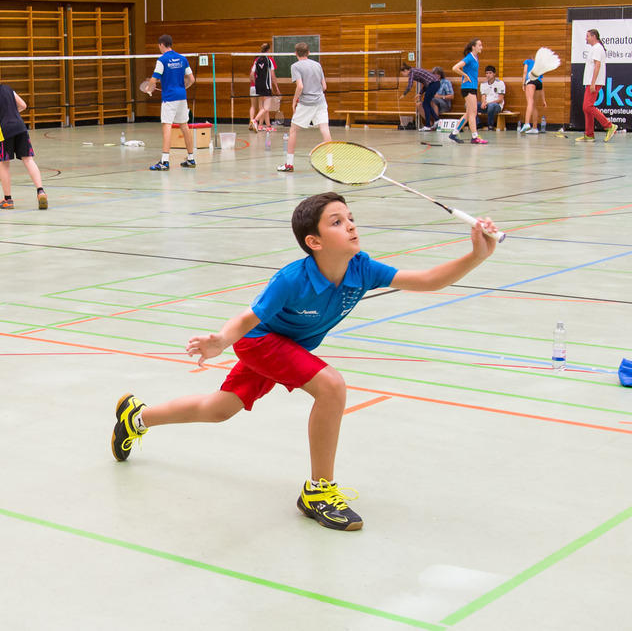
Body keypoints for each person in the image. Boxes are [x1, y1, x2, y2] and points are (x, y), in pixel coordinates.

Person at [110, 191, 500, 531]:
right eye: (337, 222)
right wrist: (221, 340)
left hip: (288, 346)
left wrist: (476, 255)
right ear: (314, 241)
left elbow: (428, 279)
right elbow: (249, 318)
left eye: (350, 218)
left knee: (219, 409)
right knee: (331, 386)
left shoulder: (362, 269)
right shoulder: (292, 279)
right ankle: (318, 492)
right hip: (260, 343)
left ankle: (137, 417)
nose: (350, 225)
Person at [0, 63, 48, 211]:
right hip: (20, 127)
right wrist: (11, 113)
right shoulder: (8, 89)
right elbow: (23, 105)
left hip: (3, 132)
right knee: (28, 160)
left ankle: (8, 200)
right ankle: (41, 191)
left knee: (4, 164)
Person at [278, 42, 332, 173]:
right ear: (308, 53)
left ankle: (289, 164)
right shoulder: (317, 65)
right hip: (321, 102)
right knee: (325, 130)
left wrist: (294, 100)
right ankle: (330, 164)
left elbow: (300, 86)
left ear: (295, 53)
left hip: (306, 103)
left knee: (293, 130)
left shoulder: (295, 66)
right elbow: (324, 87)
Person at [147, 34, 196, 171]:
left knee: (167, 126)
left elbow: (154, 79)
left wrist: (148, 89)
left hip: (169, 98)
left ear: (161, 45)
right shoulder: (182, 59)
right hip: (182, 97)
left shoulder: (162, 60)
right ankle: (191, 158)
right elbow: (191, 79)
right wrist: (183, 88)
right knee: (184, 126)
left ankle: (165, 161)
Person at [577, 29, 618, 143]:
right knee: (586, 108)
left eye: (587, 36)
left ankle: (609, 126)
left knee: (588, 107)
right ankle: (589, 135)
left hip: (594, 82)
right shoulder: (594, 48)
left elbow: (597, 65)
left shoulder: (597, 48)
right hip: (590, 82)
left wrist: (593, 83)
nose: (586, 38)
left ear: (594, 36)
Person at [449, 38, 487, 144]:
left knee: (469, 113)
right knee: (473, 113)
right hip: (468, 87)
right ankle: (475, 137)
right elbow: (455, 68)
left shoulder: (475, 57)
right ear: (473, 47)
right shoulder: (469, 57)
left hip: (472, 87)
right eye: (479, 45)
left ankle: (454, 133)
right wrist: (465, 75)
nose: (481, 47)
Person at [400, 63, 440, 130]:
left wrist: (404, 94)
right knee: (427, 103)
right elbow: (425, 83)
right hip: (434, 84)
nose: (403, 75)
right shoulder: (415, 71)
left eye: (403, 73)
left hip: (433, 84)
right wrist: (420, 93)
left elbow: (410, 85)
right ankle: (437, 120)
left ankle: (427, 126)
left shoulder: (412, 72)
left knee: (425, 104)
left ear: (406, 70)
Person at [250, 43, 279, 131]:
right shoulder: (269, 60)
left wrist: (257, 83)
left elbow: (252, 74)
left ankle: (268, 126)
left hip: (258, 87)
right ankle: (255, 120)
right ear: (269, 50)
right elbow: (273, 75)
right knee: (266, 107)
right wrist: (276, 88)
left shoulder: (257, 60)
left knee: (263, 107)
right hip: (266, 87)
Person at [518, 56, 548, 134]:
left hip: (531, 81)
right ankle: (534, 128)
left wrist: (523, 83)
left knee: (530, 102)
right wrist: (544, 100)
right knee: (534, 106)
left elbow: (525, 72)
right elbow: (542, 83)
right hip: (539, 83)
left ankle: (526, 123)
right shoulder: (539, 66)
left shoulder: (527, 61)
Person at [478, 65, 506, 131]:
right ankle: (478, 124)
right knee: (470, 105)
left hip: (497, 106)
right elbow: (483, 96)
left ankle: (490, 125)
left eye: (490, 73)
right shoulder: (483, 84)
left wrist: (488, 103)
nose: (488, 75)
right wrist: (483, 103)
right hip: (486, 105)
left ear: (494, 74)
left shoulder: (500, 83)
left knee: (491, 106)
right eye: (487, 73)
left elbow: (500, 99)